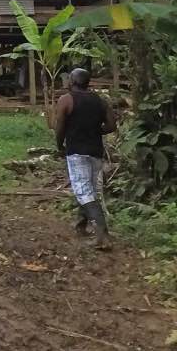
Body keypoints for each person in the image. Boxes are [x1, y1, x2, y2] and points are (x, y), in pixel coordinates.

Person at [53, 67, 117, 250]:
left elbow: (60, 126)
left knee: (83, 190)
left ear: (72, 82)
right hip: (96, 151)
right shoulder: (100, 101)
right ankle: (81, 225)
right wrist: (96, 131)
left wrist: (59, 145)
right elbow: (112, 125)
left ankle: (103, 235)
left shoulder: (66, 99)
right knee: (88, 188)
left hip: (77, 152)